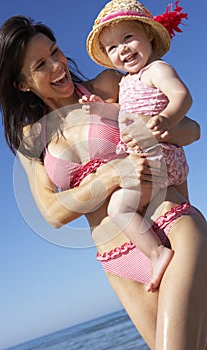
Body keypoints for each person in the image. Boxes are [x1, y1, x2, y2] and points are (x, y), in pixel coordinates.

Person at [0, 14, 207, 350]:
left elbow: (190, 130)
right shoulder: (32, 138)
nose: (58, 66)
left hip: (168, 224)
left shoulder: (106, 85)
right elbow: (51, 212)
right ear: (22, 84)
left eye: (55, 52)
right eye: (41, 65)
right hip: (118, 262)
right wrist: (110, 176)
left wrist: (144, 129)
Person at [80, 0, 192, 292]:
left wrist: (167, 118)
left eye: (128, 38)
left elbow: (182, 95)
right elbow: (122, 113)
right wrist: (100, 109)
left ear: (149, 36)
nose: (123, 49)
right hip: (154, 160)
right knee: (162, 210)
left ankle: (157, 254)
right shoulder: (127, 83)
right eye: (113, 47)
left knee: (119, 207)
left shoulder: (156, 69)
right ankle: (166, 246)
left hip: (160, 156)